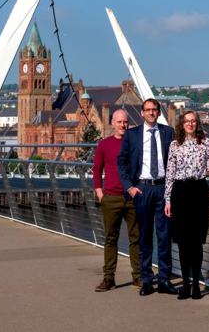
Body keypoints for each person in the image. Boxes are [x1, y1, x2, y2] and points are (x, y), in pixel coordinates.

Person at [117, 98, 178, 296]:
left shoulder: (168, 132)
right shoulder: (131, 135)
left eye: (154, 110)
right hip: (142, 189)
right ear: (142, 113)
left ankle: (164, 280)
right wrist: (129, 187)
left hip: (163, 189)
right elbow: (121, 162)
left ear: (159, 112)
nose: (151, 113)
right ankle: (146, 280)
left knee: (164, 236)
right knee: (144, 237)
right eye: (148, 110)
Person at [164, 110, 209, 300]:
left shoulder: (206, 144)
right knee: (183, 242)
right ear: (182, 124)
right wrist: (167, 200)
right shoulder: (174, 145)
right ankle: (185, 284)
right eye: (186, 121)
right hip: (180, 191)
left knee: (197, 241)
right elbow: (169, 173)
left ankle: (196, 285)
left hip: (199, 191)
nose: (190, 124)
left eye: (193, 121)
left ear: (197, 124)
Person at [93, 109, 141, 292]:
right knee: (110, 239)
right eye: (119, 122)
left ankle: (137, 276)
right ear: (112, 123)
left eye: (125, 122)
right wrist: (100, 193)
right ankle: (108, 278)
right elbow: (96, 169)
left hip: (131, 198)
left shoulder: (134, 144)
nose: (123, 125)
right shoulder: (104, 145)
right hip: (111, 197)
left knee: (135, 238)